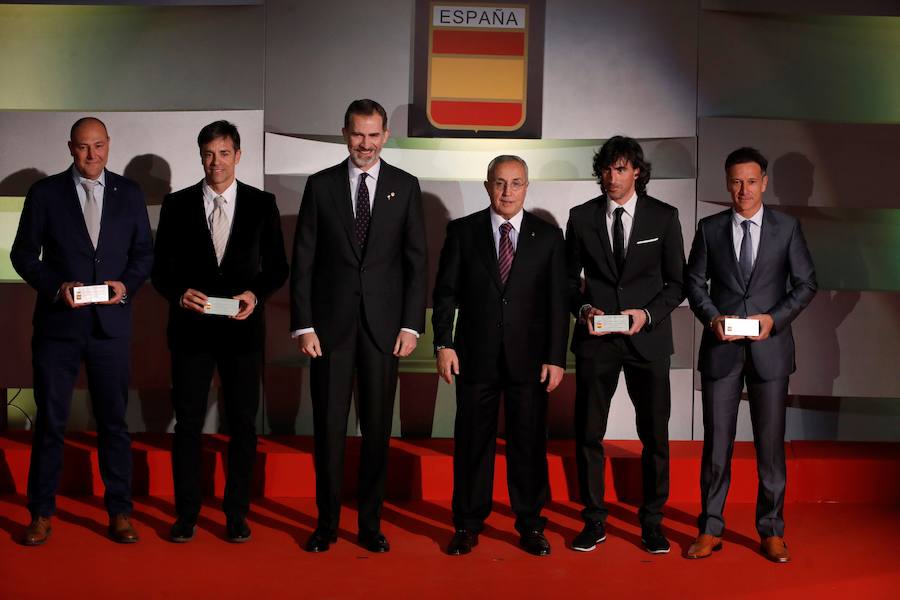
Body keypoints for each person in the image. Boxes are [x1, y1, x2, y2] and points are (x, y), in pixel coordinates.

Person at [290, 99, 427, 553]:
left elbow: (416, 263)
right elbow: (304, 262)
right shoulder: (320, 186)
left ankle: (370, 524)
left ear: (385, 135)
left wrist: (411, 325)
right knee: (329, 431)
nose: (365, 145)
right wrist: (303, 325)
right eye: (357, 134)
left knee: (376, 432)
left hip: (385, 332)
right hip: (328, 332)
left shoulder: (405, 187)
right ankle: (326, 523)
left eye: (373, 135)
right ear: (344, 133)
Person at [11, 117, 153, 545]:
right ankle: (40, 514)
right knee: (51, 421)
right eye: (83, 148)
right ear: (70, 148)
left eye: (99, 146)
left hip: (110, 327)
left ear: (109, 145)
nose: (92, 156)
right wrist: (57, 287)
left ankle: (120, 512)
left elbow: (144, 253)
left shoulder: (128, 193)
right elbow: (22, 254)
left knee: (113, 421)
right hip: (59, 326)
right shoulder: (45, 193)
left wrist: (125, 284)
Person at [152, 120, 288, 543]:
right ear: (200, 156)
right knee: (188, 423)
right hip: (191, 331)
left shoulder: (263, 205)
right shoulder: (175, 205)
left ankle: (236, 514)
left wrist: (254, 294)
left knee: (243, 423)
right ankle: (186, 514)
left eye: (224, 153)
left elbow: (279, 268)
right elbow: (159, 272)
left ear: (238, 155)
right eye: (209, 154)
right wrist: (179, 294)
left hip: (242, 332)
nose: (216, 163)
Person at [684, 147, 816, 563]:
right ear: (727, 183)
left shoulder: (787, 228)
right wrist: (712, 319)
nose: (744, 189)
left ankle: (772, 530)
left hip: (770, 351)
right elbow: (694, 283)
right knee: (716, 445)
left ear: (764, 182)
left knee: (770, 446)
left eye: (752, 181)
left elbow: (806, 284)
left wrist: (772, 319)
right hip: (721, 351)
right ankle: (710, 527)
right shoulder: (709, 228)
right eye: (737, 181)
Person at [432, 155, 568, 556]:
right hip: (475, 357)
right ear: (487, 184)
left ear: (527, 187)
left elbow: (557, 304)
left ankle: (530, 525)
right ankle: (467, 525)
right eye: (500, 183)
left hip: (530, 362)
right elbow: (445, 295)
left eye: (516, 183)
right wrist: (444, 344)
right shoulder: (462, 232)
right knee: (472, 445)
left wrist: (556, 356)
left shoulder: (548, 237)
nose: (507, 192)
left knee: (528, 446)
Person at [565, 136, 685, 554]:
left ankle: (652, 521)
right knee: (588, 434)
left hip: (647, 341)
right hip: (596, 341)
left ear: (637, 171)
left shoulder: (664, 217)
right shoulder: (581, 217)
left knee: (654, 435)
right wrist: (583, 310)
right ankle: (593, 519)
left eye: (620, 169)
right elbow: (566, 282)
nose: (611, 177)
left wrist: (646, 314)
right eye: (606, 169)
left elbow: (678, 284)